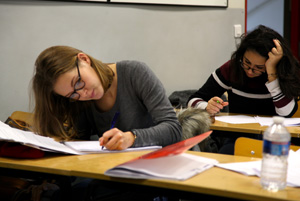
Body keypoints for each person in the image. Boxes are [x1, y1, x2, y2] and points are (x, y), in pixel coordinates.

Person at [31, 45, 182, 200]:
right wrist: (53, 180)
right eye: (72, 94)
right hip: (117, 176)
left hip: (157, 174)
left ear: (84, 59)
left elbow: (173, 129)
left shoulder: (135, 72)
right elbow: (79, 146)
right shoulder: (80, 101)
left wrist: (131, 138)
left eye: (78, 82)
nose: (83, 93)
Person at [188, 25, 300, 154]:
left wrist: (272, 74)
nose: (250, 71)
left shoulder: (283, 72)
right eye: (246, 62)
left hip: (275, 139)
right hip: (238, 137)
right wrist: (207, 106)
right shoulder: (233, 68)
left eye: (258, 67)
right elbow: (193, 99)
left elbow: (285, 113)